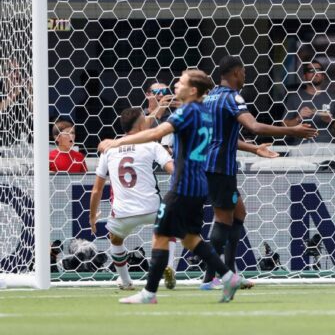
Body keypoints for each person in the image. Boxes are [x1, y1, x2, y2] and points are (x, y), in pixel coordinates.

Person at [99, 69, 244, 304]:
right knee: (189, 238)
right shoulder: (206, 112)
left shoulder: (187, 112)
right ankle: (228, 276)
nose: (176, 85)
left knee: (160, 234)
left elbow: (155, 132)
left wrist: (116, 142)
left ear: (193, 90)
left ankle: (149, 293)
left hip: (182, 185)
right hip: (199, 183)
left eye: (181, 82)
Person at [200, 55, 317, 290]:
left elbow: (221, 137)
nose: (245, 76)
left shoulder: (211, 97)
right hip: (220, 167)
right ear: (234, 73)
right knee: (223, 219)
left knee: (238, 213)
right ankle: (211, 278)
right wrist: (291, 131)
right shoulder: (233, 97)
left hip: (214, 165)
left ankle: (230, 273)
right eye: (243, 72)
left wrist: (254, 148)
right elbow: (253, 126)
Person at [90, 107, 176, 290]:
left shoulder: (109, 149)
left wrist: (91, 216)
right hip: (152, 207)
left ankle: (126, 281)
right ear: (140, 124)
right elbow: (173, 171)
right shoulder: (152, 145)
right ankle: (168, 267)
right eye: (145, 118)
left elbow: (97, 190)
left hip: (123, 212)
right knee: (168, 230)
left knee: (115, 239)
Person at [282, 61, 335, 143]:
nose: (315, 73)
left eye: (319, 70)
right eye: (311, 70)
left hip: (327, 148)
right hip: (300, 148)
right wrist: (299, 117)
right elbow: (284, 126)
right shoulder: (294, 97)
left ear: (323, 76)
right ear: (304, 76)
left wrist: (331, 121)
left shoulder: (332, 97)